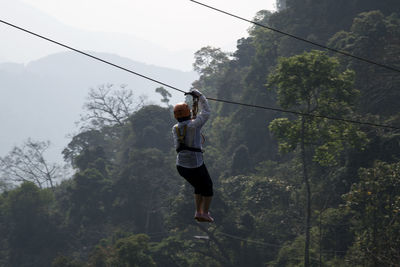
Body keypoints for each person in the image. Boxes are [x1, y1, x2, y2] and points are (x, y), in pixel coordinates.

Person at [172, 89, 214, 222]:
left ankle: (198, 212)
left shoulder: (175, 128)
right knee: (207, 187)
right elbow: (206, 112)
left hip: (182, 167)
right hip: (195, 164)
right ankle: (205, 212)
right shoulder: (194, 125)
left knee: (198, 186)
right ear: (188, 113)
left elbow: (189, 124)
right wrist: (200, 96)